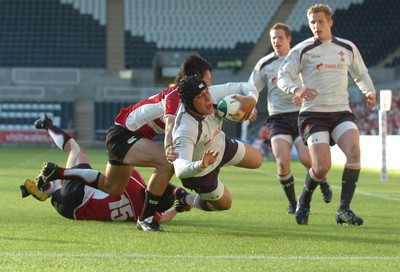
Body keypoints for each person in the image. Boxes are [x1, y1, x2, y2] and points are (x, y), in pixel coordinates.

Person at [35, 54, 257, 232]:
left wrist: (247, 105)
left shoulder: (195, 98)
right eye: (207, 81)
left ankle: (59, 173)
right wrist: (170, 148)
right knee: (167, 162)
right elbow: (171, 124)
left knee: (112, 187)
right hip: (123, 134)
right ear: (195, 79)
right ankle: (146, 218)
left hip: (122, 132)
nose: (210, 86)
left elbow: (225, 100)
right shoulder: (175, 96)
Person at [277, 4, 377, 225]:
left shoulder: (347, 47)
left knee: (354, 152)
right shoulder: (301, 50)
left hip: (341, 111)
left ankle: (344, 209)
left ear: (330, 22)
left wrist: (369, 92)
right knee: (322, 166)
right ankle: (304, 199)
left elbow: (361, 74)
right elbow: (283, 77)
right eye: (312, 22)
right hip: (313, 114)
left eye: (320, 21)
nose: (316, 26)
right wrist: (297, 89)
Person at [20, 115, 191, 223]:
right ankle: (48, 188)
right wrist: (176, 208)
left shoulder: (134, 183)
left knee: (75, 150)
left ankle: (47, 124)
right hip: (69, 212)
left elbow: (115, 169)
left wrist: (176, 190)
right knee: (66, 182)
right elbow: (165, 218)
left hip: (77, 195)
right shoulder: (148, 215)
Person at [248, 22, 332, 215]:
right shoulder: (265, 64)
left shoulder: (301, 58)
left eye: (279, 37)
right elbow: (251, 88)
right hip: (277, 118)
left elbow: (317, 81)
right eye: (273, 38)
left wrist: (302, 94)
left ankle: (323, 181)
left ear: (288, 39)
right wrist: (249, 105)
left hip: (301, 116)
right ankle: (293, 203)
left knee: (305, 158)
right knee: (282, 162)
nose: (276, 41)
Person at [171, 75, 263, 212]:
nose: (208, 98)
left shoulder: (213, 94)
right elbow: (180, 169)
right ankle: (184, 198)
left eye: (206, 91)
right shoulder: (185, 129)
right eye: (200, 96)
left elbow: (245, 85)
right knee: (225, 205)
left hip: (221, 145)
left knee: (258, 160)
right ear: (189, 103)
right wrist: (201, 164)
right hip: (201, 171)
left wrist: (250, 99)